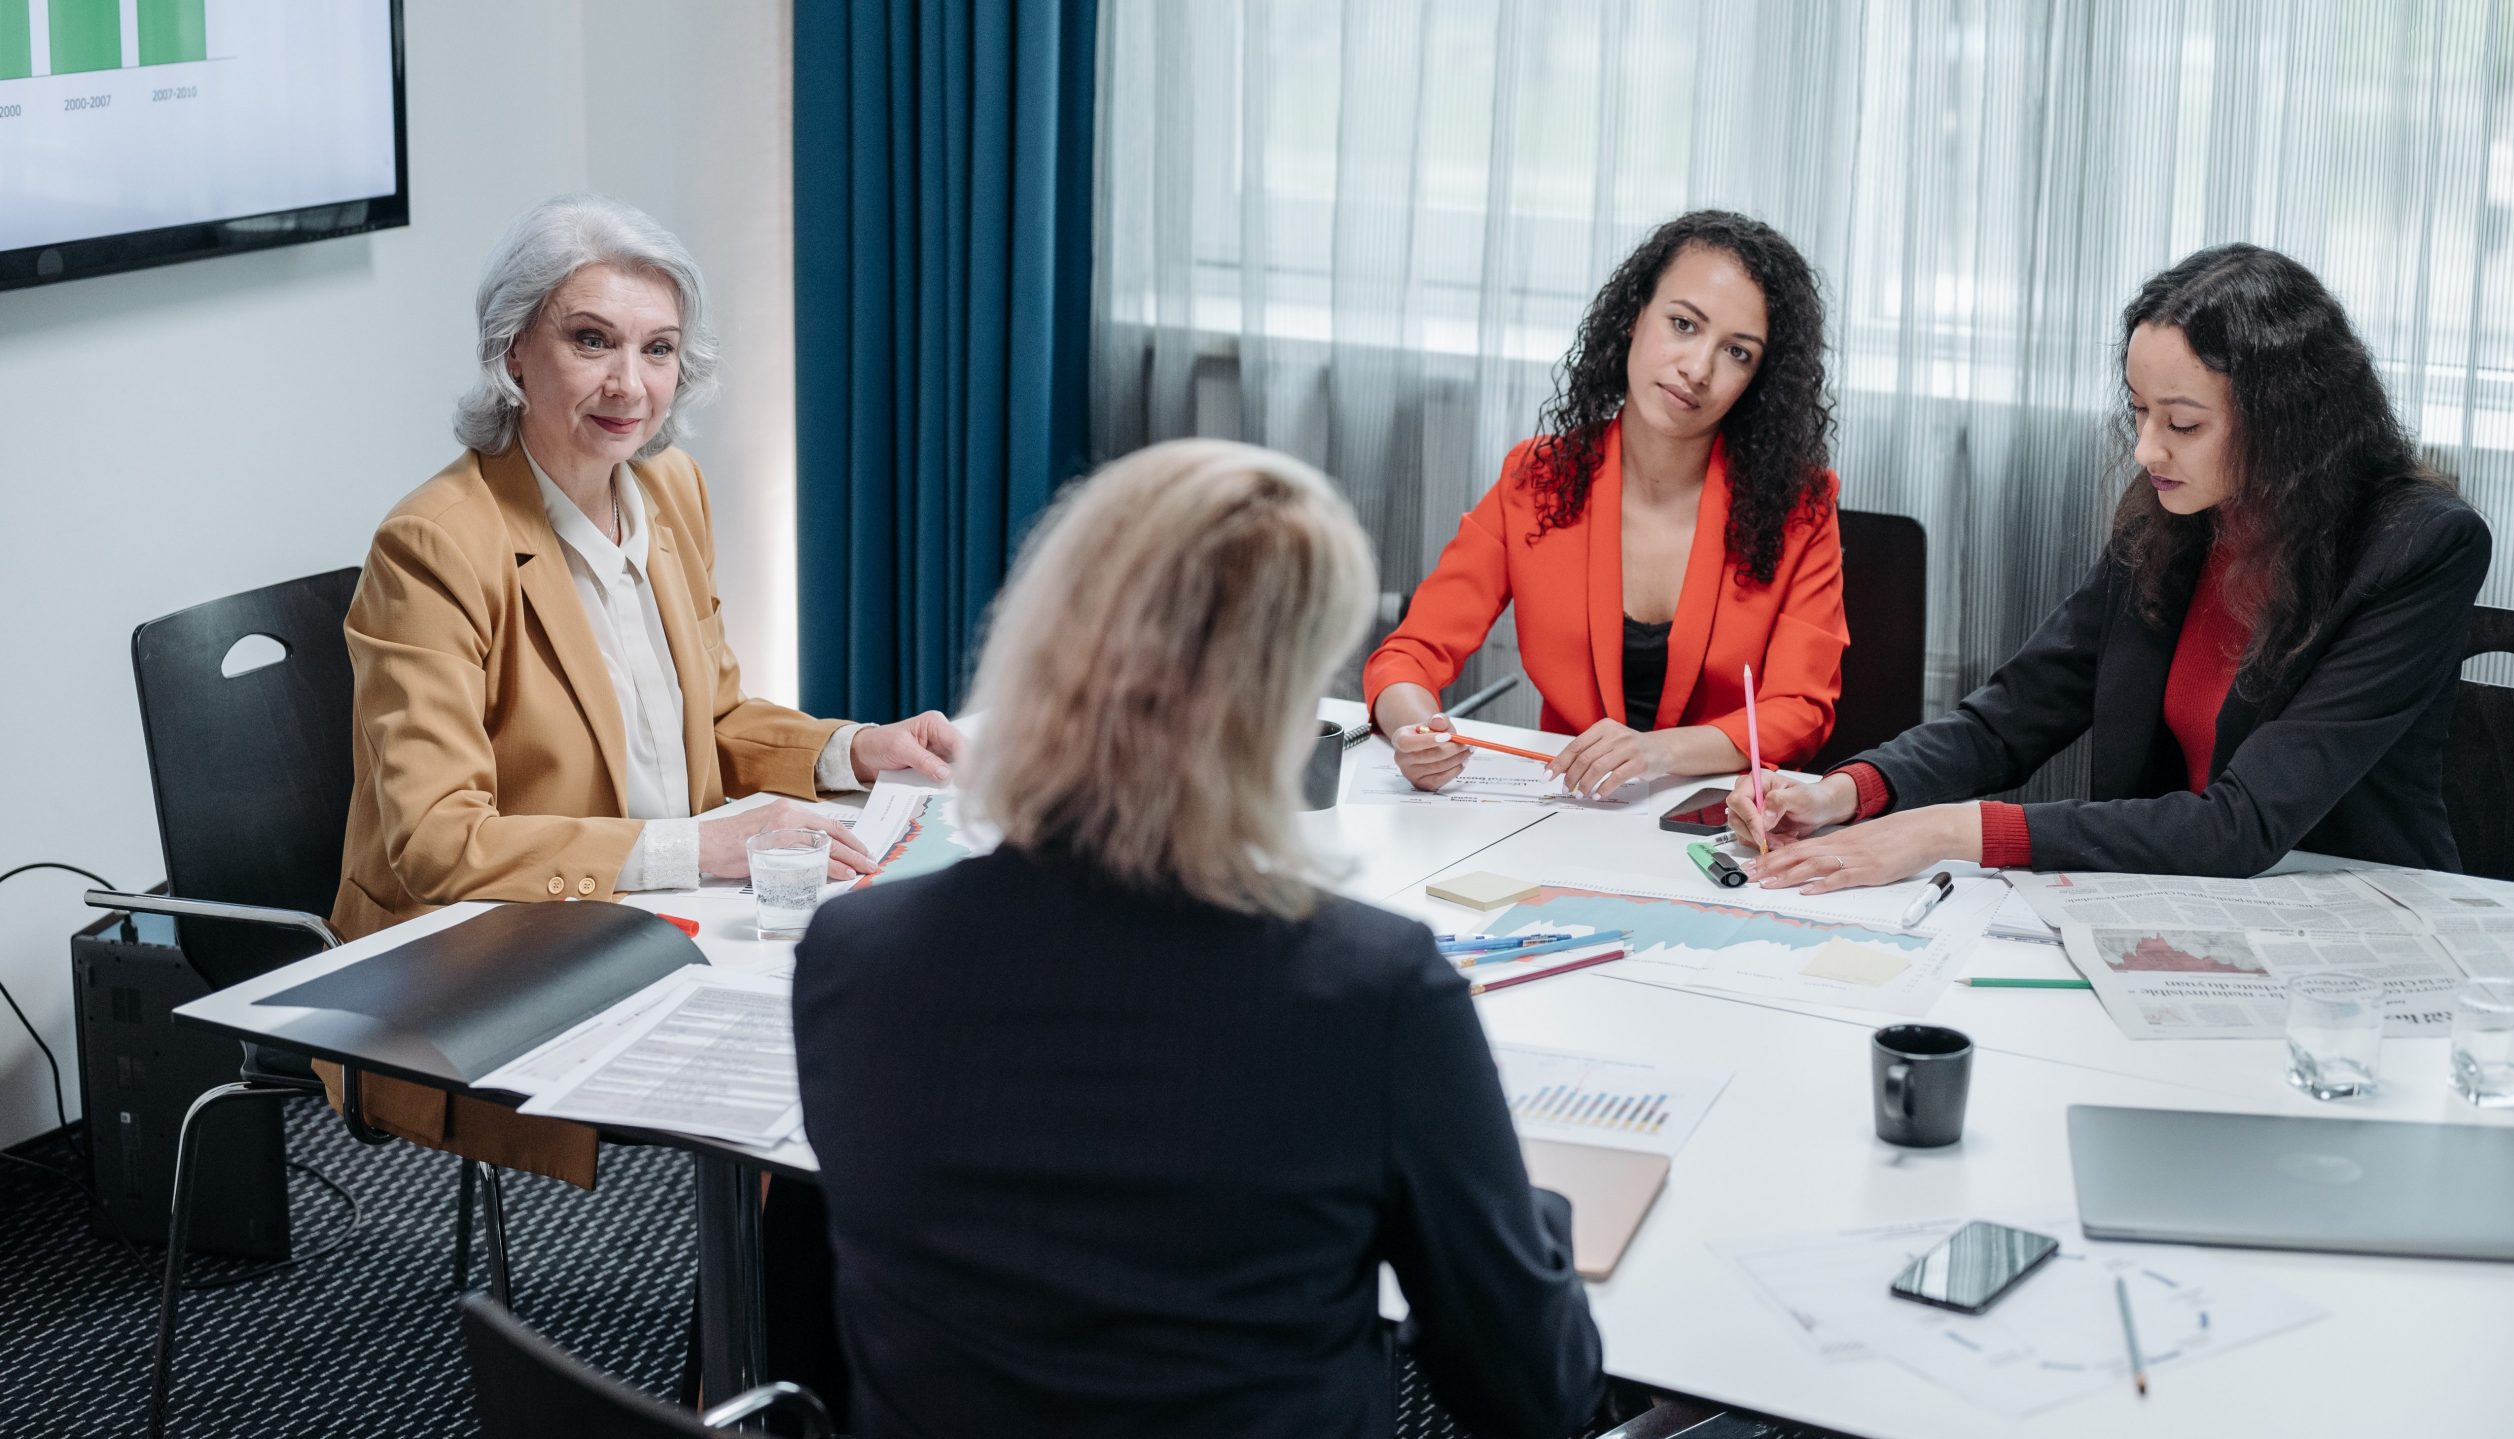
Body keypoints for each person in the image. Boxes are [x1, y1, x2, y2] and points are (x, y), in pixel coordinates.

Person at [793, 440, 1608, 1439]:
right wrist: (1532, 1218)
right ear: (1274, 709)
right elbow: (1534, 1394)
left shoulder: (852, 951)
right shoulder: (1371, 991)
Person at [329, 194, 960, 1187]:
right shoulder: (436, 545)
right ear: (514, 353)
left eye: (658, 349)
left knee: (888, 999)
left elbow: (710, 718)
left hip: (670, 905)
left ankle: (800, 1328)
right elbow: (437, 843)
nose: (631, 384)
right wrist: (699, 845)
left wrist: (852, 750)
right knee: (806, 1053)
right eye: (591, 340)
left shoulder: (669, 490)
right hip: (498, 948)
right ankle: (761, 1330)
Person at [1732, 243, 2492, 892]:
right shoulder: (2180, 510)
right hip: (2180, 908)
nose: (2147, 449)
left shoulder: (2417, 546)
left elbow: (2244, 823)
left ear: (2288, 421)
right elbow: (2013, 714)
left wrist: (1952, 831)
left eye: (2183, 423)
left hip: (2350, 922)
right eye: (2138, 411)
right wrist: (1847, 789)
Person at [1366, 209, 1848, 799]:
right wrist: (1414, 732)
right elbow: (1412, 654)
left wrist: (1657, 751)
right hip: (1564, 812)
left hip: (1716, 819)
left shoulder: (1800, 506)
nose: (1697, 370)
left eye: (1738, 353)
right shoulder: (1536, 478)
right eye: (1683, 324)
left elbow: (1800, 710)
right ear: (1633, 317)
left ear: (1760, 379)